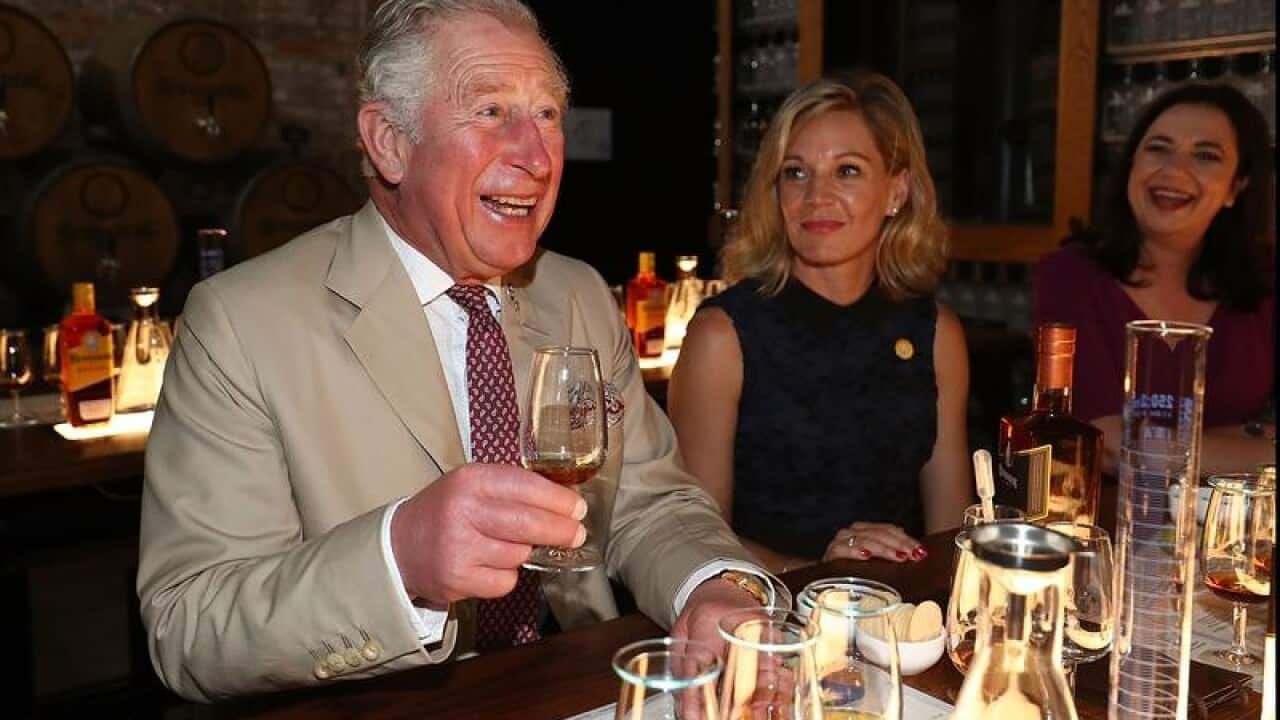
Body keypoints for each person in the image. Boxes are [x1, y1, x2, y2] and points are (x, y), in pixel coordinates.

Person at [137, 0, 765, 702]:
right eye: (492, 111)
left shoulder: (579, 293)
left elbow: (652, 502)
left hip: (578, 685)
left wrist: (710, 584)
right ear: (389, 142)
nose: (535, 155)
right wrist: (398, 560)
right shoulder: (241, 322)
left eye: (549, 115)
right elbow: (187, 629)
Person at [667, 74, 972, 575]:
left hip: (898, 626)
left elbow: (948, 538)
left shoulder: (936, 334)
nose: (816, 196)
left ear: (897, 190)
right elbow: (691, 542)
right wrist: (817, 574)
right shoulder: (723, 337)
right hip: (763, 623)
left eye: (847, 171)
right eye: (796, 173)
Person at [1034, 83, 1274, 476]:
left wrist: (1163, 447)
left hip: (1230, 527)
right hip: (1109, 523)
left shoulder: (1263, 280)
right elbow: (1107, 443)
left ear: (1237, 186)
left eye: (1206, 156)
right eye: (1158, 148)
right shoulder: (1070, 274)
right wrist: (1251, 447)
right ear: (1131, 165)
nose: (1174, 170)